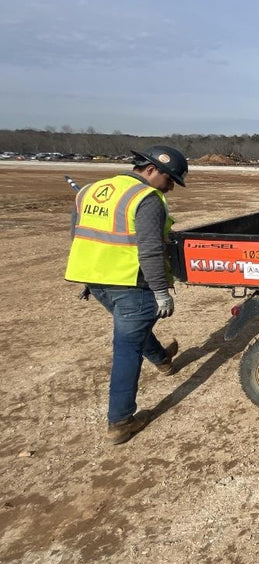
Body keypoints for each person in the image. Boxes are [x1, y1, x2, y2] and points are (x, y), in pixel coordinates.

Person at [65, 145, 188, 445]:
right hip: (131, 283)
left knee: (132, 329)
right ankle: (120, 421)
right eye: (169, 179)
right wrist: (161, 292)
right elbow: (150, 249)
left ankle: (162, 360)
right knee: (126, 348)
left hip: (98, 282)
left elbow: (78, 235)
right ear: (150, 170)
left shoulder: (91, 191)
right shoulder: (146, 199)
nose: (170, 187)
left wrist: (89, 276)